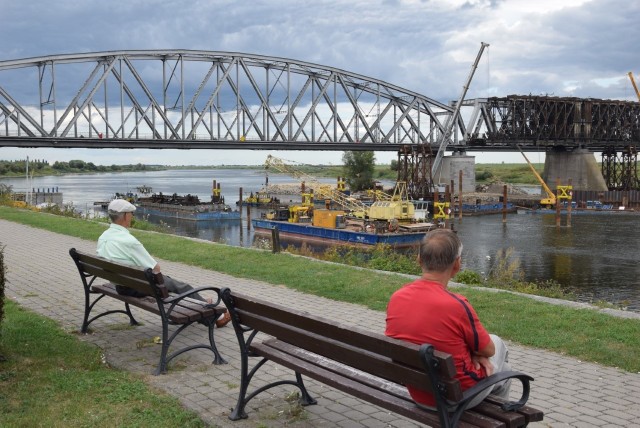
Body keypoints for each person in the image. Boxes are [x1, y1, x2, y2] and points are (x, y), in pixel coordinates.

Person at [385, 229, 510, 409]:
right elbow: (489, 350)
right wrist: (478, 354)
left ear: (419, 260)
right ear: (457, 265)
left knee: (502, 371)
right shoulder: (457, 306)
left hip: (418, 392)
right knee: (499, 353)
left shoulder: (397, 297)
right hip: (455, 398)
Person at [97, 199, 231, 328]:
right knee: (182, 288)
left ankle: (202, 303)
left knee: (173, 285)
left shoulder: (103, 237)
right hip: (137, 287)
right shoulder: (128, 241)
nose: (132, 216)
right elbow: (155, 268)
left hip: (120, 285)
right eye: (131, 214)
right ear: (125, 216)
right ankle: (214, 318)